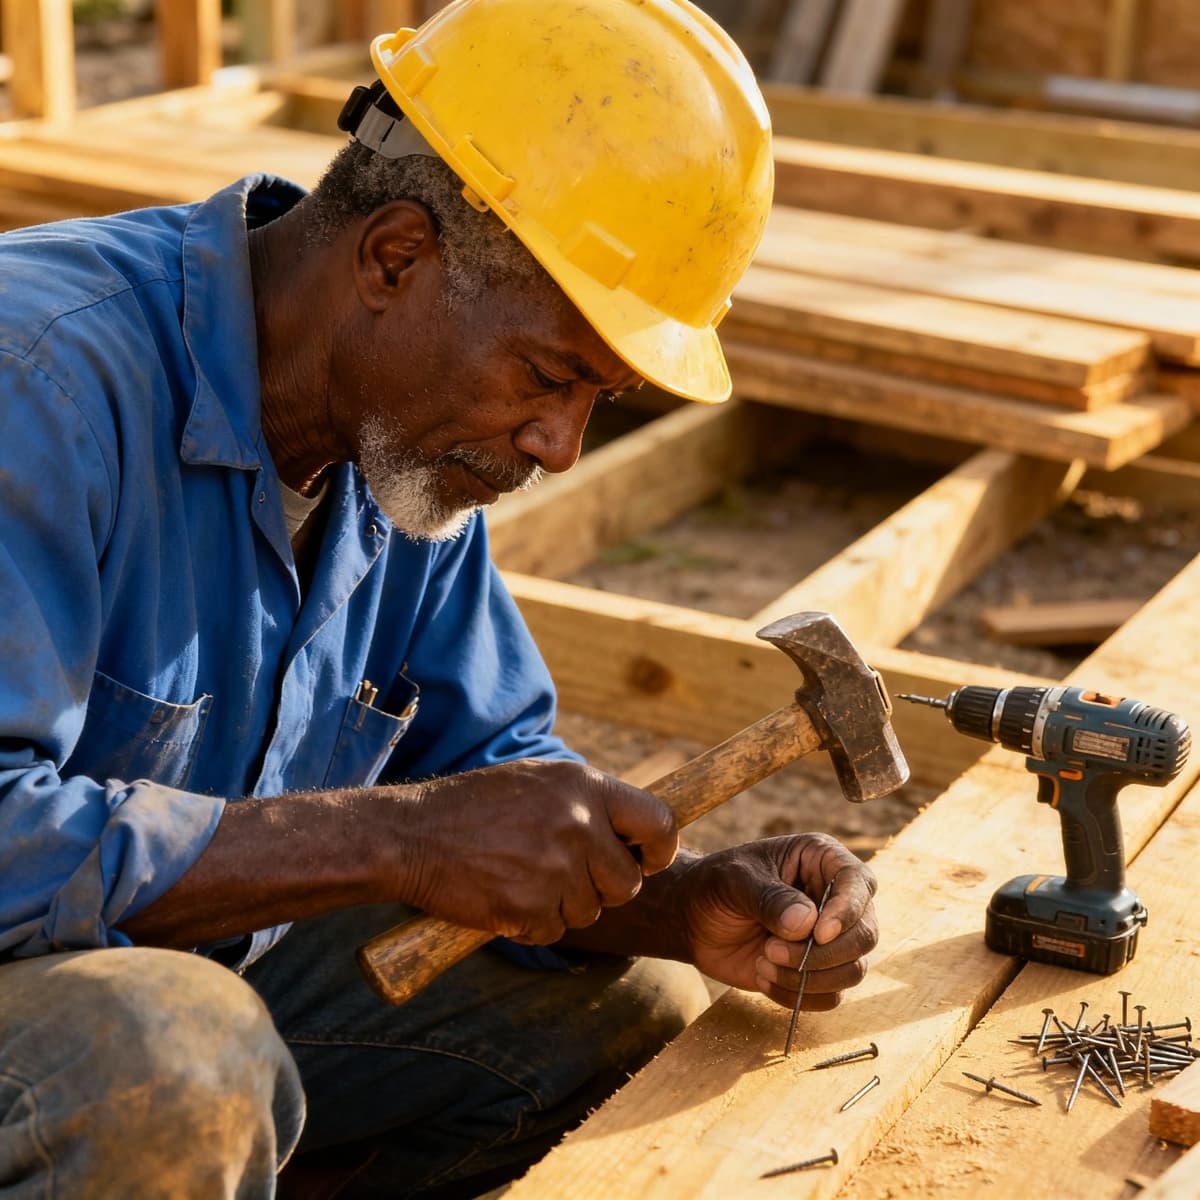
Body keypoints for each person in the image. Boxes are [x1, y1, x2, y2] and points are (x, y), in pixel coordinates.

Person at [0, 1, 879, 1196]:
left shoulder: (400, 460)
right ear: (396, 257)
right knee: (171, 1054)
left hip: (181, 968)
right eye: (550, 375)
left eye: (598, 402)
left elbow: (501, 775)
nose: (559, 445)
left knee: (624, 1005)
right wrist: (400, 838)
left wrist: (673, 901)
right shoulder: (38, 379)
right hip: (79, 1002)